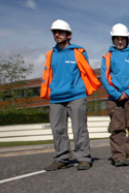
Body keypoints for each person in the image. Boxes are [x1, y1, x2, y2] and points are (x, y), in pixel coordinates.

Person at [41, 19, 100, 171]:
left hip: (76, 96)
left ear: (69, 35)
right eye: (55, 32)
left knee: (79, 128)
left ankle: (84, 158)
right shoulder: (51, 54)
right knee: (57, 129)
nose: (57, 34)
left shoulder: (78, 52)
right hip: (56, 98)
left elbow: (85, 73)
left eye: (60, 32)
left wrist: (82, 90)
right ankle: (61, 158)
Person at [101, 23, 129, 167]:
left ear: (127, 40)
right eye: (117, 38)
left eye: (123, 39)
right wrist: (115, 93)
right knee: (117, 128)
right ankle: (119, 157)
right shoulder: (107, 57)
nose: (120, 41)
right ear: (113, 39)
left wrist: (128, 92)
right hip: (114, 99)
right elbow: (104, 78)